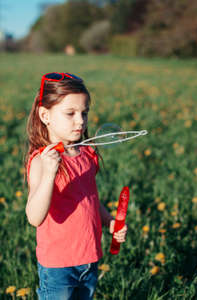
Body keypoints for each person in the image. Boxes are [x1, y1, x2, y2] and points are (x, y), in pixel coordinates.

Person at [24, 72, 128, 300]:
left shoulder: (86, 154)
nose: (80, 121)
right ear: (45, 115)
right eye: (70, 113)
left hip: (89, 258)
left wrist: (109, 221)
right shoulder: (43, 160)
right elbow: (34, 217)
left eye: (84, 113)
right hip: (58, 265)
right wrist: (50, 174)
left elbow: (89, 199)